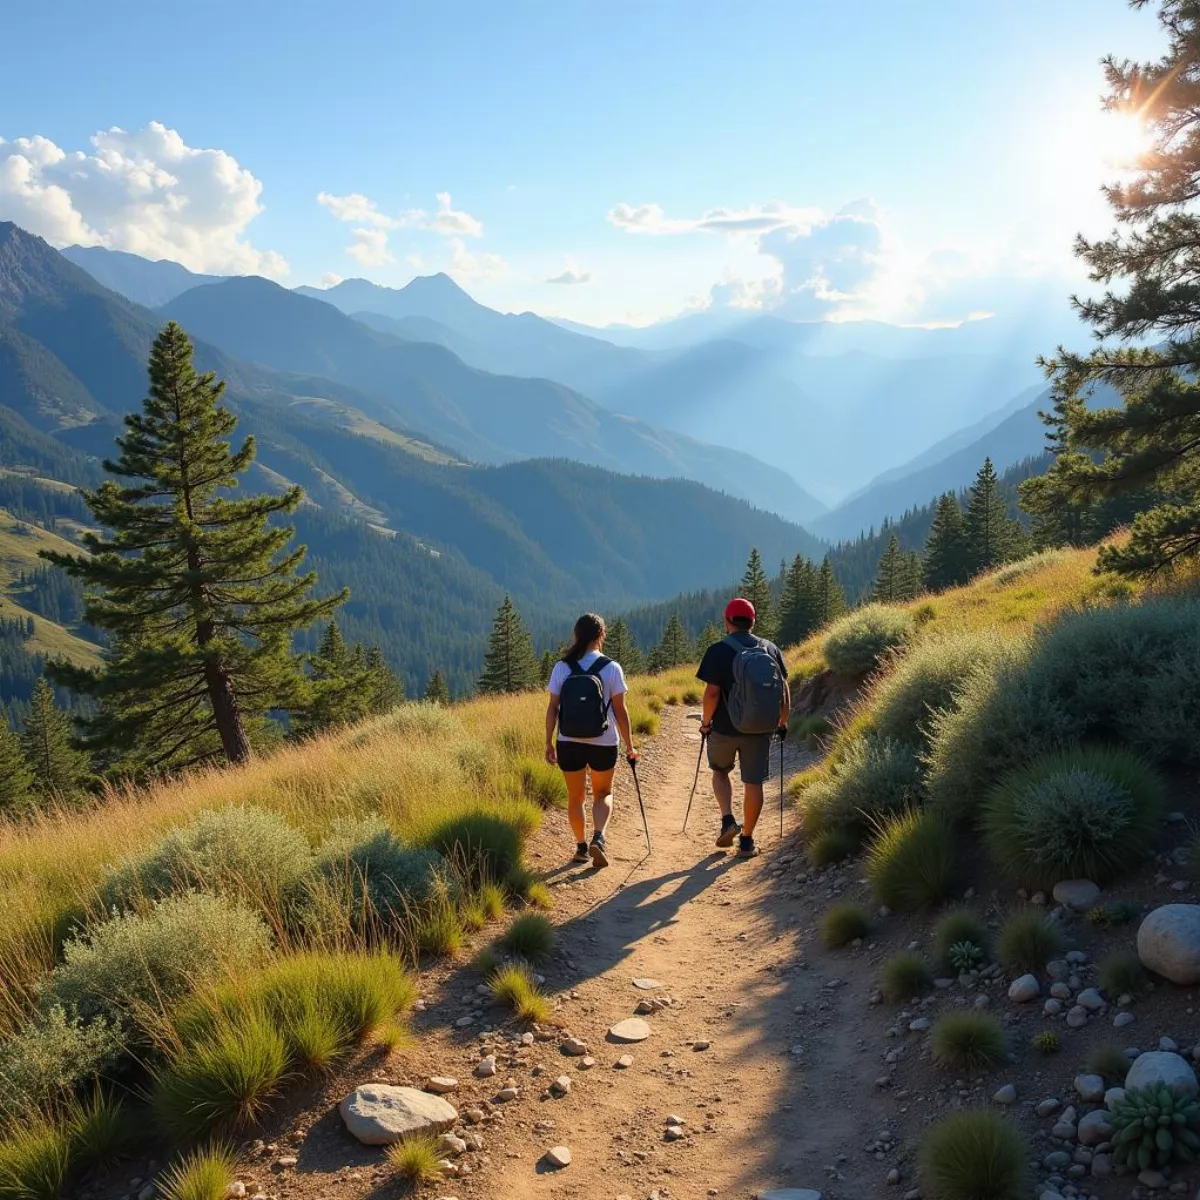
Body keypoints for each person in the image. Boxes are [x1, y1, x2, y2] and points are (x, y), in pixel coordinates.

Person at [695, 597, 789, 858]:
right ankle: (746, 841)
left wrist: (705, 724)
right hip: (760, 730)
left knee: (720, 771)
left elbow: (712, 693)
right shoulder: (770, 649)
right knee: (753, 783)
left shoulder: (718, 650)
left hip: (724, 729)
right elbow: (784, 689)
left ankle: (727, 819)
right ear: (753, 621)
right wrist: (782, 721)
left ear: (727, 622)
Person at [545, 613, 638, 868]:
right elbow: (621, 711)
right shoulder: (611, 667)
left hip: (568, 740)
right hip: (604, 740)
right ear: (601, 636)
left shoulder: (562, 667)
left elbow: (553, 707)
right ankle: (599, 836)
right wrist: (630, 746)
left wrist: (548, 743)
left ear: (577, 635)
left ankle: (581, 847)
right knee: (603, 792)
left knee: (575, 798)